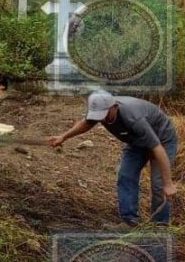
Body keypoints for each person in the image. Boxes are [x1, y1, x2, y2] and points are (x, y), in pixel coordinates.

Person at [48, 90, 179, 225]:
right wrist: (63, 136)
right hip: (135, 141)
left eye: (104, 115)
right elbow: (86, 123)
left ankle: (160, 225)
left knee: (159, 184)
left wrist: (168, 183)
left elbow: (157, 148)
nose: (101, 119)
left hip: (162, 140)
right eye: (98, 116)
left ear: (114, 107)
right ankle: (130, 221)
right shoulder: (99, 110)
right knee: (125, 175)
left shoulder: (133, 117)